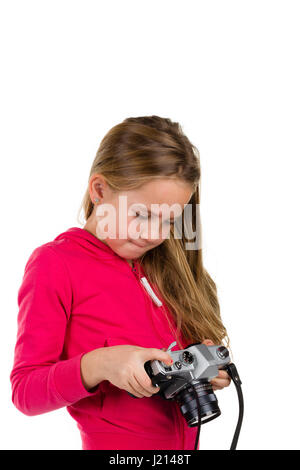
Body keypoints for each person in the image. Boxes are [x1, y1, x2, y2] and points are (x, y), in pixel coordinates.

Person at [10, 115, 231, 450]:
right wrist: (100, 364)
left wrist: (205, 368)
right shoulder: (55, 265)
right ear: (99, 190)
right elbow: (25, 391)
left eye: (169, 221)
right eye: (142, 215)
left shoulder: (166, 268)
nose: (155, 235)